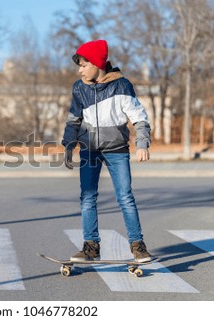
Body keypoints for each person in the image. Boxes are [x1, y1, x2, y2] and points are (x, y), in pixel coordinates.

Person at [62, 39, 153, 263]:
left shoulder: (122, 86)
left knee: (125, 197)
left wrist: (142, 143)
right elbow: (74, 118)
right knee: (87, 197)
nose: (79, 69)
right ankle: (91, 247)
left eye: (83, 64)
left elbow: (139, 117)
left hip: (117, 149)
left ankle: (138, 246)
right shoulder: (79, 88)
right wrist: (68, 144)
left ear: (96, 63)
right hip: (89, 150)